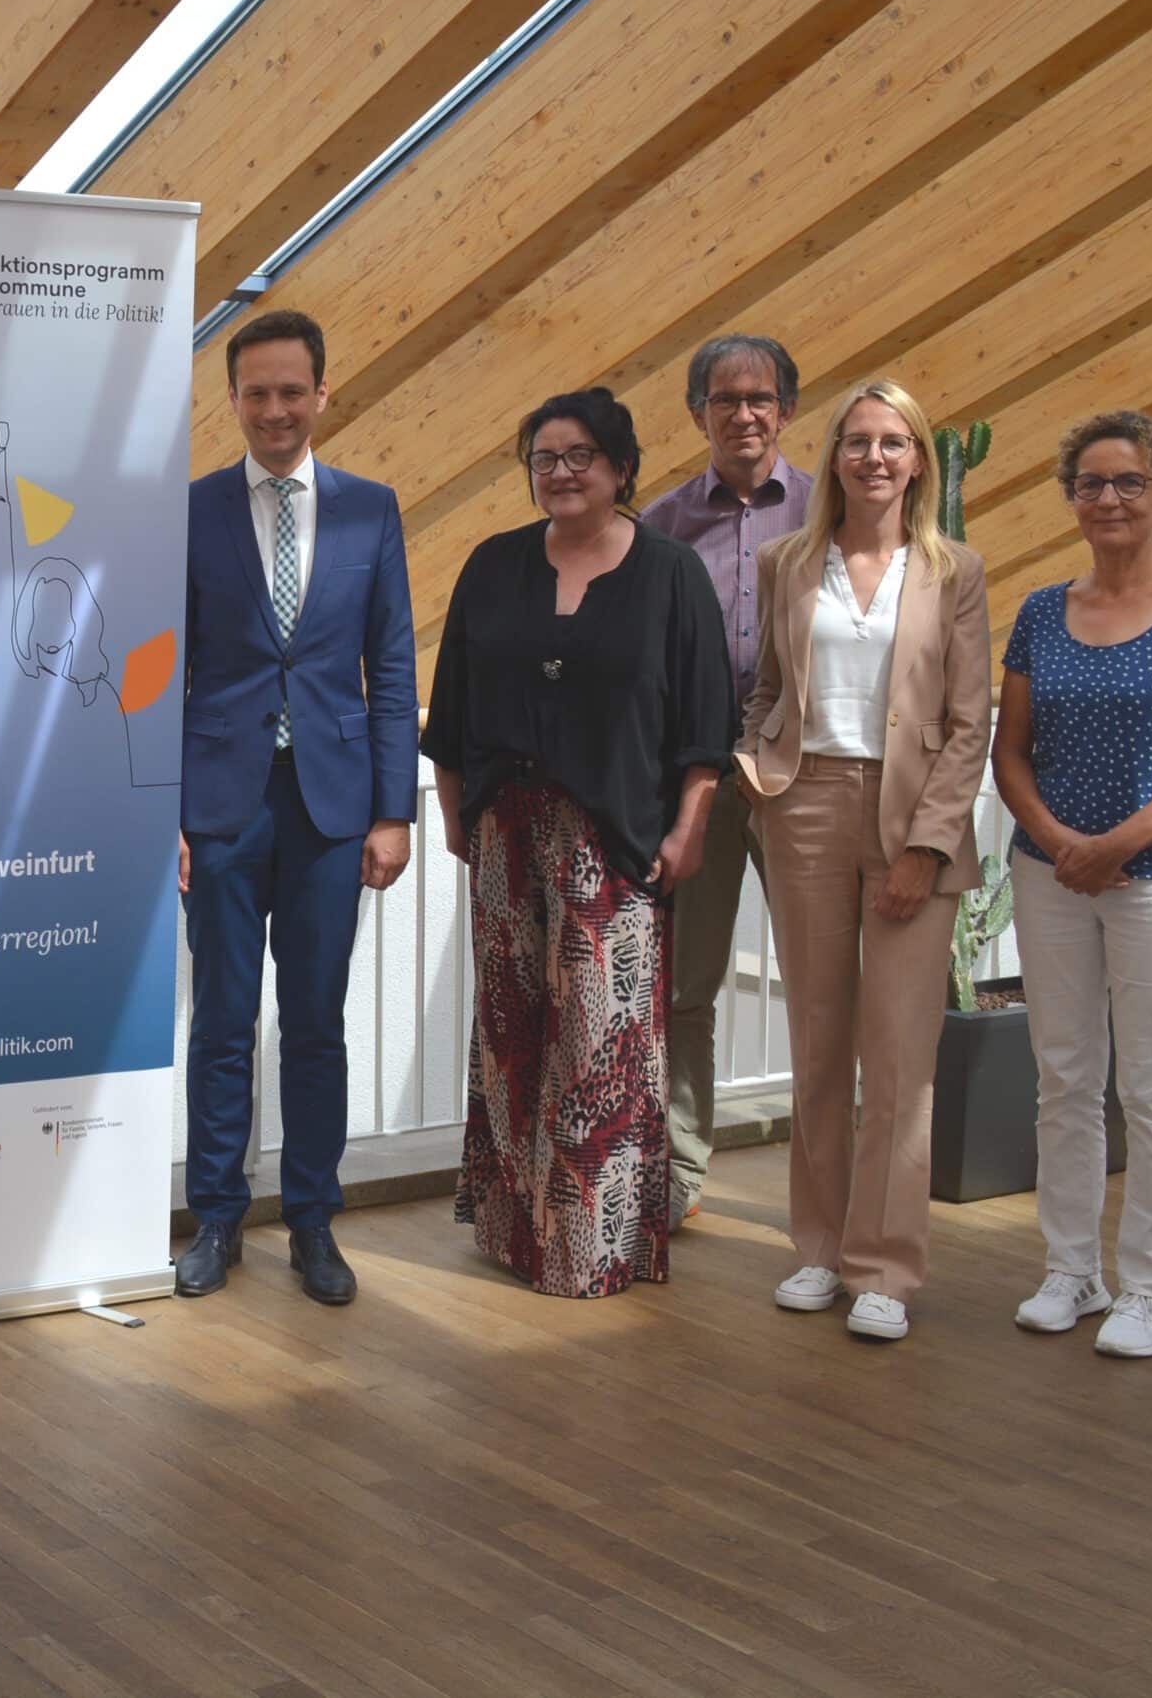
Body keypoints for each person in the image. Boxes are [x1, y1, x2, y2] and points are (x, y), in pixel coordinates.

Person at [423, 388, 731, 1297]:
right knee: (511, 1034)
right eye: (544, 459)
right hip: (505, 833)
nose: (560, 473)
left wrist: (689, 829)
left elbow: (705, 725)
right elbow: (453, 707)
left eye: (580, 456)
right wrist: (457, 817)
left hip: (615, 838)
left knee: (602, 1042)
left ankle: (587, 1250)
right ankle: (516, 1235)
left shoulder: (672, 573)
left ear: (622, 467)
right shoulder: (493, 564)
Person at [735, 379, 990, 1341]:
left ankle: (884, 1267)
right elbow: (767, 687)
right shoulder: (787, 562)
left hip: (909, 816)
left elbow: (968, 722)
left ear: (918, 459)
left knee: (897, 1058)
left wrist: (928, 844)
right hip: (801, 808)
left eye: (893, 442)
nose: (873, 457)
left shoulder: (954, 570)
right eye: (857, 441)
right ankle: (818, 1248)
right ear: (834, 456)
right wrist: (759, 766)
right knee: (817, 1042)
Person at [174, 308, 417, 1307]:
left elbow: (391, 665)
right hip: (221, 804)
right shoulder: (190, 510)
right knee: (223, 1023)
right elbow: (162, 669)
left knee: (315, 1023)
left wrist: (394, 811)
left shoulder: (371, 509)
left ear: (322, 392)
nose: (274, 410)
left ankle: (314, 1218)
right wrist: (166, 815)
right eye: (256, 393)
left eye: (290, 391)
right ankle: (216, 1217)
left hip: (331, 806)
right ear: (232, 400)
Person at [992, 410, 1152, 1360]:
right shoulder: (1039, 612)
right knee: (1064, 1078)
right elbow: (1010, 753)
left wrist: (1118, 847)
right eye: (1090, 483)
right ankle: (1072, 1270)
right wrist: (1063, 843)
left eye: (1129, 481)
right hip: (1051, 874)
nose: (1107, 498)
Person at [641, 334, 810, 1221]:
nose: (743, 414)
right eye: (724, 399)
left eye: (760, 398)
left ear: (786, 409)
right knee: (685, 988)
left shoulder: (831, 510)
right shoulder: (661, 525)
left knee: (823, 987)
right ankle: (680, 1175)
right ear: (696, 412)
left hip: (804, 784)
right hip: (699, 784)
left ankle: (828, 1184)